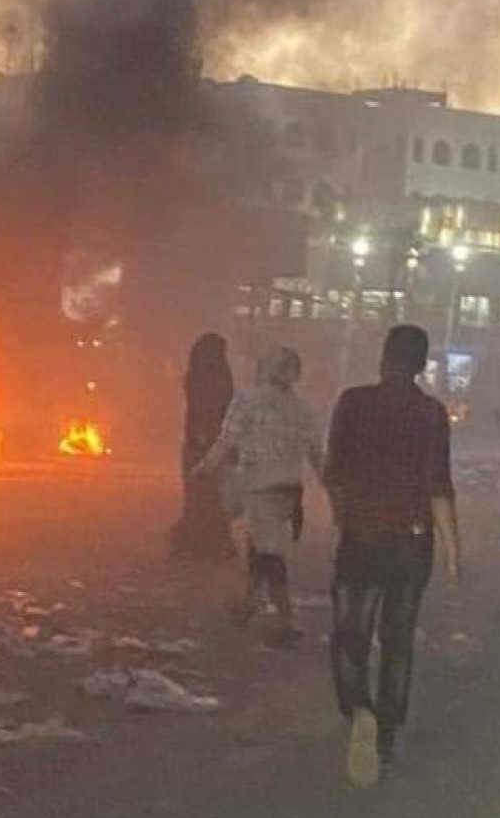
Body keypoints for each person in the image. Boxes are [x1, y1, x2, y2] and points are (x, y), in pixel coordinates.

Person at [323, 325, 461, 787]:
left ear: (383, 358)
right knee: (398, 640)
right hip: (411, 540)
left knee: (350, 633)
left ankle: (358, 707)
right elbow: (439, 485)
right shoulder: (431, 413)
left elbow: (334, 472)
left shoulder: (352, 402)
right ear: (422, 366)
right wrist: (453, 553)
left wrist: (344, 514)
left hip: (360, 537)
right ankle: (385, 737)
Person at [192, 345, 323, 648]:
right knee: (260, 545)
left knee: (268, 552)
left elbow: (226, 441)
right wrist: (331, 487)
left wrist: (203, 469)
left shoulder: (246, 401)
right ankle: (248, 603)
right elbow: (317, 455)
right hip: (289, 491)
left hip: (258, 486)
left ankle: (286, 620)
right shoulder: (301, 409)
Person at [170, 333, 236, 562]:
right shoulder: (217, 379)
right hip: (208, 444)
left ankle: (198, 543)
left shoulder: (196, 378)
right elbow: (213, 412)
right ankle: (207, 544)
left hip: (200, 445)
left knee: (202, 497)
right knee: (210, 498)